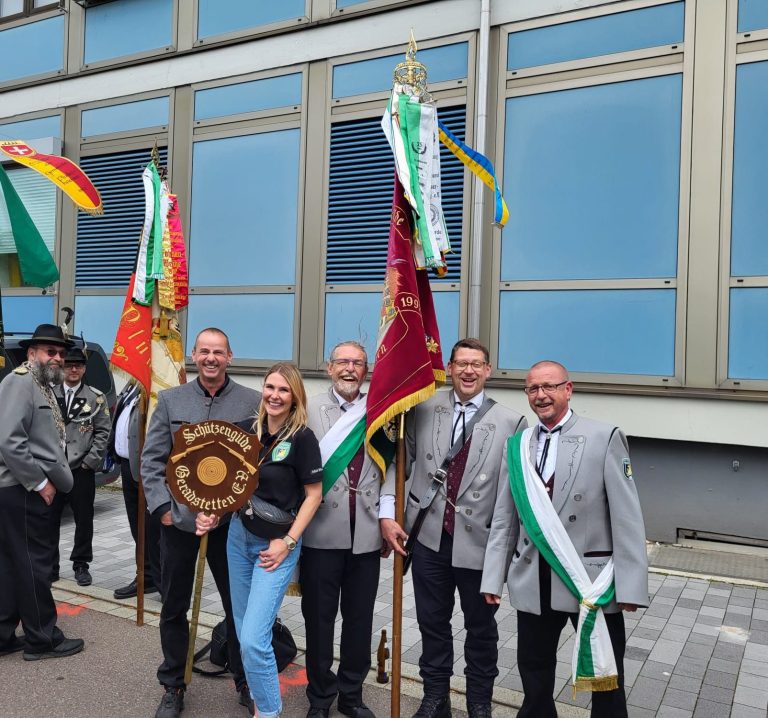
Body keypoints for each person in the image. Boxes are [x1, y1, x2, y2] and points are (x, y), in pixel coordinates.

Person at [481, 360, 648, 718]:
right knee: (534, 671)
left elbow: (627, 518)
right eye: (533, 389)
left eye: (549, 386)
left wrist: (631, 586)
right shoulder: (517, 445)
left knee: (605, 675)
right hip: (533, 577)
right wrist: (493, 577)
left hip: (588, 581)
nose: (541, 395)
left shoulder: (604, 437)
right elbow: (505, 518)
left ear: (568, 390)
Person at [380, 338, 527, 718]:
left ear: (488, 370)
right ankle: (435, 696)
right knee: (432, 623)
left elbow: (514, 495)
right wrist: (388, 512)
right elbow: (401, 464)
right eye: (461, 363)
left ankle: (479, 702)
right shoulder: (422, 408)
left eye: (476, 364)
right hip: (429, 537)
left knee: (481, 629)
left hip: (480, 543)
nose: (468, 371)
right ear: (449, 367)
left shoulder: (512, 422)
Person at [142, 328, 260, 718]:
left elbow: (258, 464)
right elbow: (152, 460)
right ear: (194, 355)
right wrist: (163, 509)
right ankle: (173, 684)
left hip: (231, 527)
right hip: (179, 524)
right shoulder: (171, 400)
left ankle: (245, 679)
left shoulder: (251, 402)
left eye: (218, 352)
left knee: (238, 606)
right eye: (204, 351)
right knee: (174, 605)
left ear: (230, 356)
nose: (211, 358)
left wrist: (231, 509)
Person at [197, 362, 323, 718]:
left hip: (276, 546)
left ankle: (268, 712)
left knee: (253, 639)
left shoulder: (302, 439)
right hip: (238, 539)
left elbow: (314, 495)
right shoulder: (243, 432)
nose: (275, 395)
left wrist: (288, 541)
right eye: (270, 387)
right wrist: (211, 514)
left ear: (295, 397)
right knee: (242, 631)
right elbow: (226, 487)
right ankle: (257, 699)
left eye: (284, 390)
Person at [301, 341, 385, 718]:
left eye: (358, 363)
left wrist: (389, 518)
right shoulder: (307, 408)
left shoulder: (382, 409)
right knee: (318, 621)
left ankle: (351, 694)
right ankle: (320, 697)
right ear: (329, 367)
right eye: (343, 362)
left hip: (366, 533)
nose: (350, 369)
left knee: (359, 621)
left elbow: (395, 468)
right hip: (320, 532)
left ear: (367, 370)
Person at [0, 323, 84, 660]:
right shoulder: (20, 382)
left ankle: (3, 634)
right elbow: (10, 440)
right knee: (34, 563)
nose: (58, 358)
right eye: (51, 351)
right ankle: (42, 638)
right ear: (32, 353)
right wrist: (39, 482)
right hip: (22, 489)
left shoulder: (41, 384)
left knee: (10, 563)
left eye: (61, 353)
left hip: (18, 490)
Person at [49, 346, 111, 587]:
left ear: (84, 369)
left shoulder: (95, 397)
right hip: (54, 468)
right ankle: (50, 565)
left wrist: (90, 463)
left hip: (81, 468)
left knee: (84, 520)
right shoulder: (49, 393)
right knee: (49, 519)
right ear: (62, 367)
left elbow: (103, 432)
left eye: (78, 365)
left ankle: (81, 564)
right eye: (69, 365)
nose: (73, 369)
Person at [106, 380, 162, 599]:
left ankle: (162, 582)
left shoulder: (155, 386)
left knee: (152, 528)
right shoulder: (131, 386)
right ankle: (145, 576)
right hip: (128, 466)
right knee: (137, 526)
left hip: (147, 468)